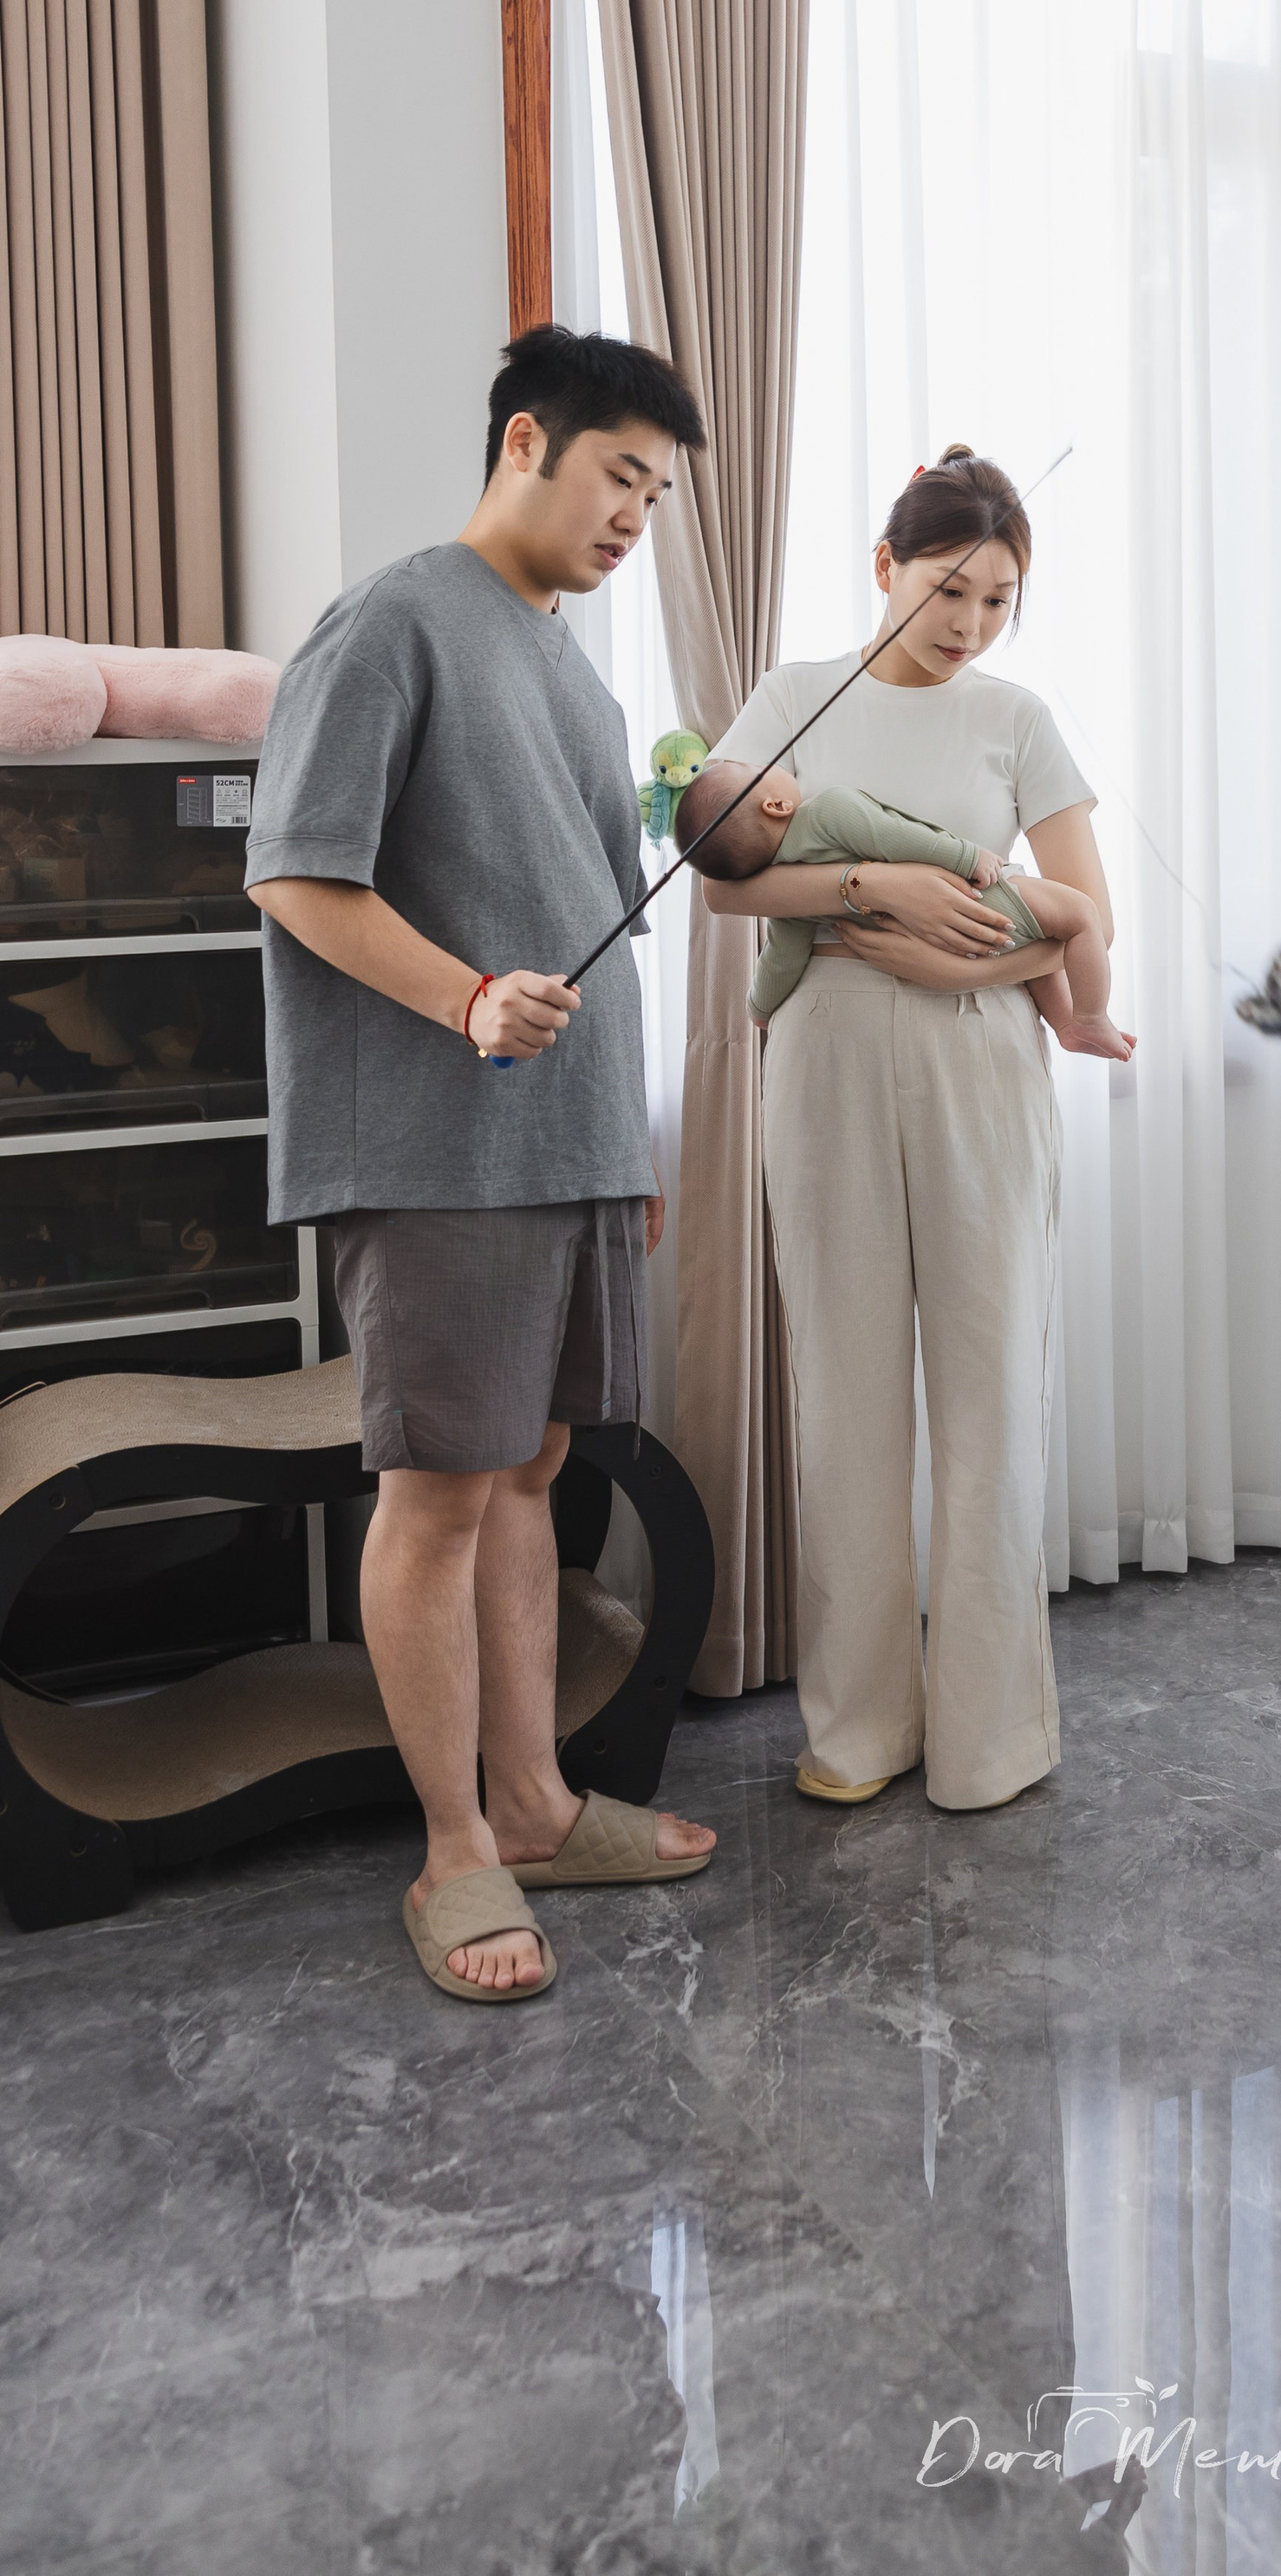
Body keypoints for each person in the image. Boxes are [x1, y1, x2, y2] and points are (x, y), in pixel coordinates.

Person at [245, 326, 719, 2003]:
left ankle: (532, 1798)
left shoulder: (574, 671)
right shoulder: (388, 623)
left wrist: (622, 1142)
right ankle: (451, 1847)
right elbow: (296, 874)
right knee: (439, 1491)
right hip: (433, 1146)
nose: (630, 521)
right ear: (527, 440)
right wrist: (460, 998)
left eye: (654, 498)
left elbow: (588, 921)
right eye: (618, 479)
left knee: (529, 1469)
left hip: (567, 1148)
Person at [707, 446, 1117, 1810]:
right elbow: (726, 889)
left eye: (998, 600)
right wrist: (879, 877)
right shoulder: (787, 696)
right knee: (846, 1389)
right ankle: (857, 1725)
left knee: (992, 1385)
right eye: (952, 589)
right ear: (886, 566)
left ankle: (992, 1735)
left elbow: (1084, 916)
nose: (971, 623)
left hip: (980, 1063)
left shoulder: (1018, 717)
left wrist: (956, 963)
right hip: (820, 1058)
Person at [673, 758, 1135, 1061]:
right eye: (759, 767)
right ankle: (1089, 1017)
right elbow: (899, 837)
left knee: (1038, 952)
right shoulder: (828, 810)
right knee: (1080, 918)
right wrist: (967, 857)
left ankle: (1063, 1023)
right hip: (978, 899)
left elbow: (782, 957)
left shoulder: (792, 899)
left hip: (934, 944)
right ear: (775, 804)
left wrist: (759, 1006)